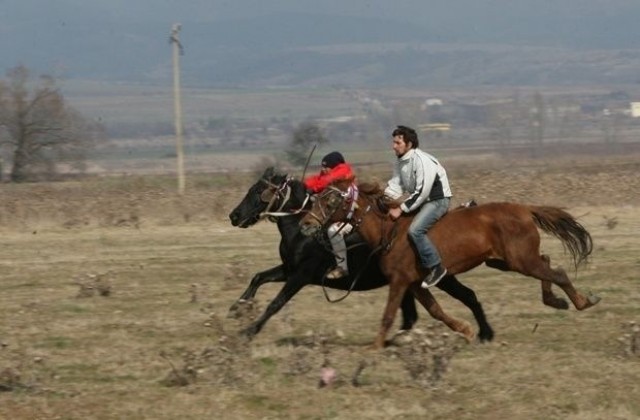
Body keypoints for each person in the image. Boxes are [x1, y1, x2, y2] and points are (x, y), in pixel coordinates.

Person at [384, 125, 452, 288]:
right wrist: (382, 200)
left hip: (436, 201)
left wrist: (400, 209)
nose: (394, 146)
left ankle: (436, 267)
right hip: (421, 201)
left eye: (398, 143)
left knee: (415, 230)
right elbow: (396, 186)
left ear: (409, 144)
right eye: (393, 142)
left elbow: (422, 192)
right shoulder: (400, 162)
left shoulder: (422, 161)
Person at [304, 151, 355, 279]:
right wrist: (302, 185)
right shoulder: (330, 173)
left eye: (325, 167)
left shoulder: (343, 172)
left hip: (351, 218)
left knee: (333, 231)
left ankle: (342, 268)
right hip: (337, 214)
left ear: (334, 166)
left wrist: (313, 189)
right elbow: (318, 180)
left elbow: (325, 181)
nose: (323, 169)